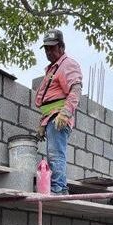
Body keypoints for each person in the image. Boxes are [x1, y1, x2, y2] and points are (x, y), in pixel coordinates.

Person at [34, 29, 82, 196]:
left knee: (55, 154)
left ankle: (59, 189)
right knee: (53, 152)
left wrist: (65, 113)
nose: (48, 52)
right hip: (51, 117)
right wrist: (42, 123)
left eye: (52, 48)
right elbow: (50, 99)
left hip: (58, 116)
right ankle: (58, 187)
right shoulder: (53, 68)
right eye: (46, 49)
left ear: (61, 47)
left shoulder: (67, 64)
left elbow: (76, 89)